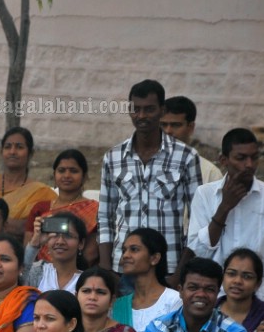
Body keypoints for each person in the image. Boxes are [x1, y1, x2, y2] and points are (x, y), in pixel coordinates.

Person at [98, 79, 202, 276]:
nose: (142, 116)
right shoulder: (112, 157)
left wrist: (180, 272)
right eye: (136, 109)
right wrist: (106, 270)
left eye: (149, 109)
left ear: (162, 110)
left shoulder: (186, 157)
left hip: (168, 268)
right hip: (122, 268)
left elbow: (199, 219)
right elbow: (105, 216)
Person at [187, 127, 264, 301]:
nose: (249, 164)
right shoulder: (204, 194)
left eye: (254, 157)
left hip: (258, 300)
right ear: (223, 160)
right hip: (214, 298)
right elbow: (199, 252)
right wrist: (224, 208)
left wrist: (261, 305)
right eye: (241, 158)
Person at [144, 257, 249, 332]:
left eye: (209, 289)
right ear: (180, 291)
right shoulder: (158, 328)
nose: (201, 294)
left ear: (217, 293)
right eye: (193, 287)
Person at [0, 126, 57, 239]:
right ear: (1, 151)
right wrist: (17, 224)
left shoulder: (42, 192)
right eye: (8, 147)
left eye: (19, 147)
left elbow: (31, 227)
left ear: (31, 153)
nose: (12, 152)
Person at [24, 149, 99, 266]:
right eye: (61, 170)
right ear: (54, 175)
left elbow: (91, 254)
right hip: (40, 274)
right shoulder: (40, 208)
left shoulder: (94, 209)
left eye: (73, 171)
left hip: (77, 273)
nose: (67, 175)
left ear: (84, 177)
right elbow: (28, 246)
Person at [110, 228, 182, 332]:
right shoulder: (118, 306)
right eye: (124, 250)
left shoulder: (174, 301)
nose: (125, 255)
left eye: (134, 249)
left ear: (154, 258)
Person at [161, 95, 224, 185]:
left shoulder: (209, 173)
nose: (168, 131)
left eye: (176, 125)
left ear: (190, 127)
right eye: (163, 125)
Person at [217, 248, 264, 332]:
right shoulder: (210, 309)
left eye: (247, 276)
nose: (237, 281)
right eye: (231, 274)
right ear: (223, 277)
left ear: (258, 283)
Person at [24, 211, 87, 293]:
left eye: (68, 236)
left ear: (81, 243)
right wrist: (35, 243)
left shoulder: (87, 280)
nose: (60, 242)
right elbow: (17, 278)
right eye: (55, 235)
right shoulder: (37, 271)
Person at [75, 267, 135, 332]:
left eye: (101, 292)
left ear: (112, 300)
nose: (92, 297)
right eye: (86, 291)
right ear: (76, 296)